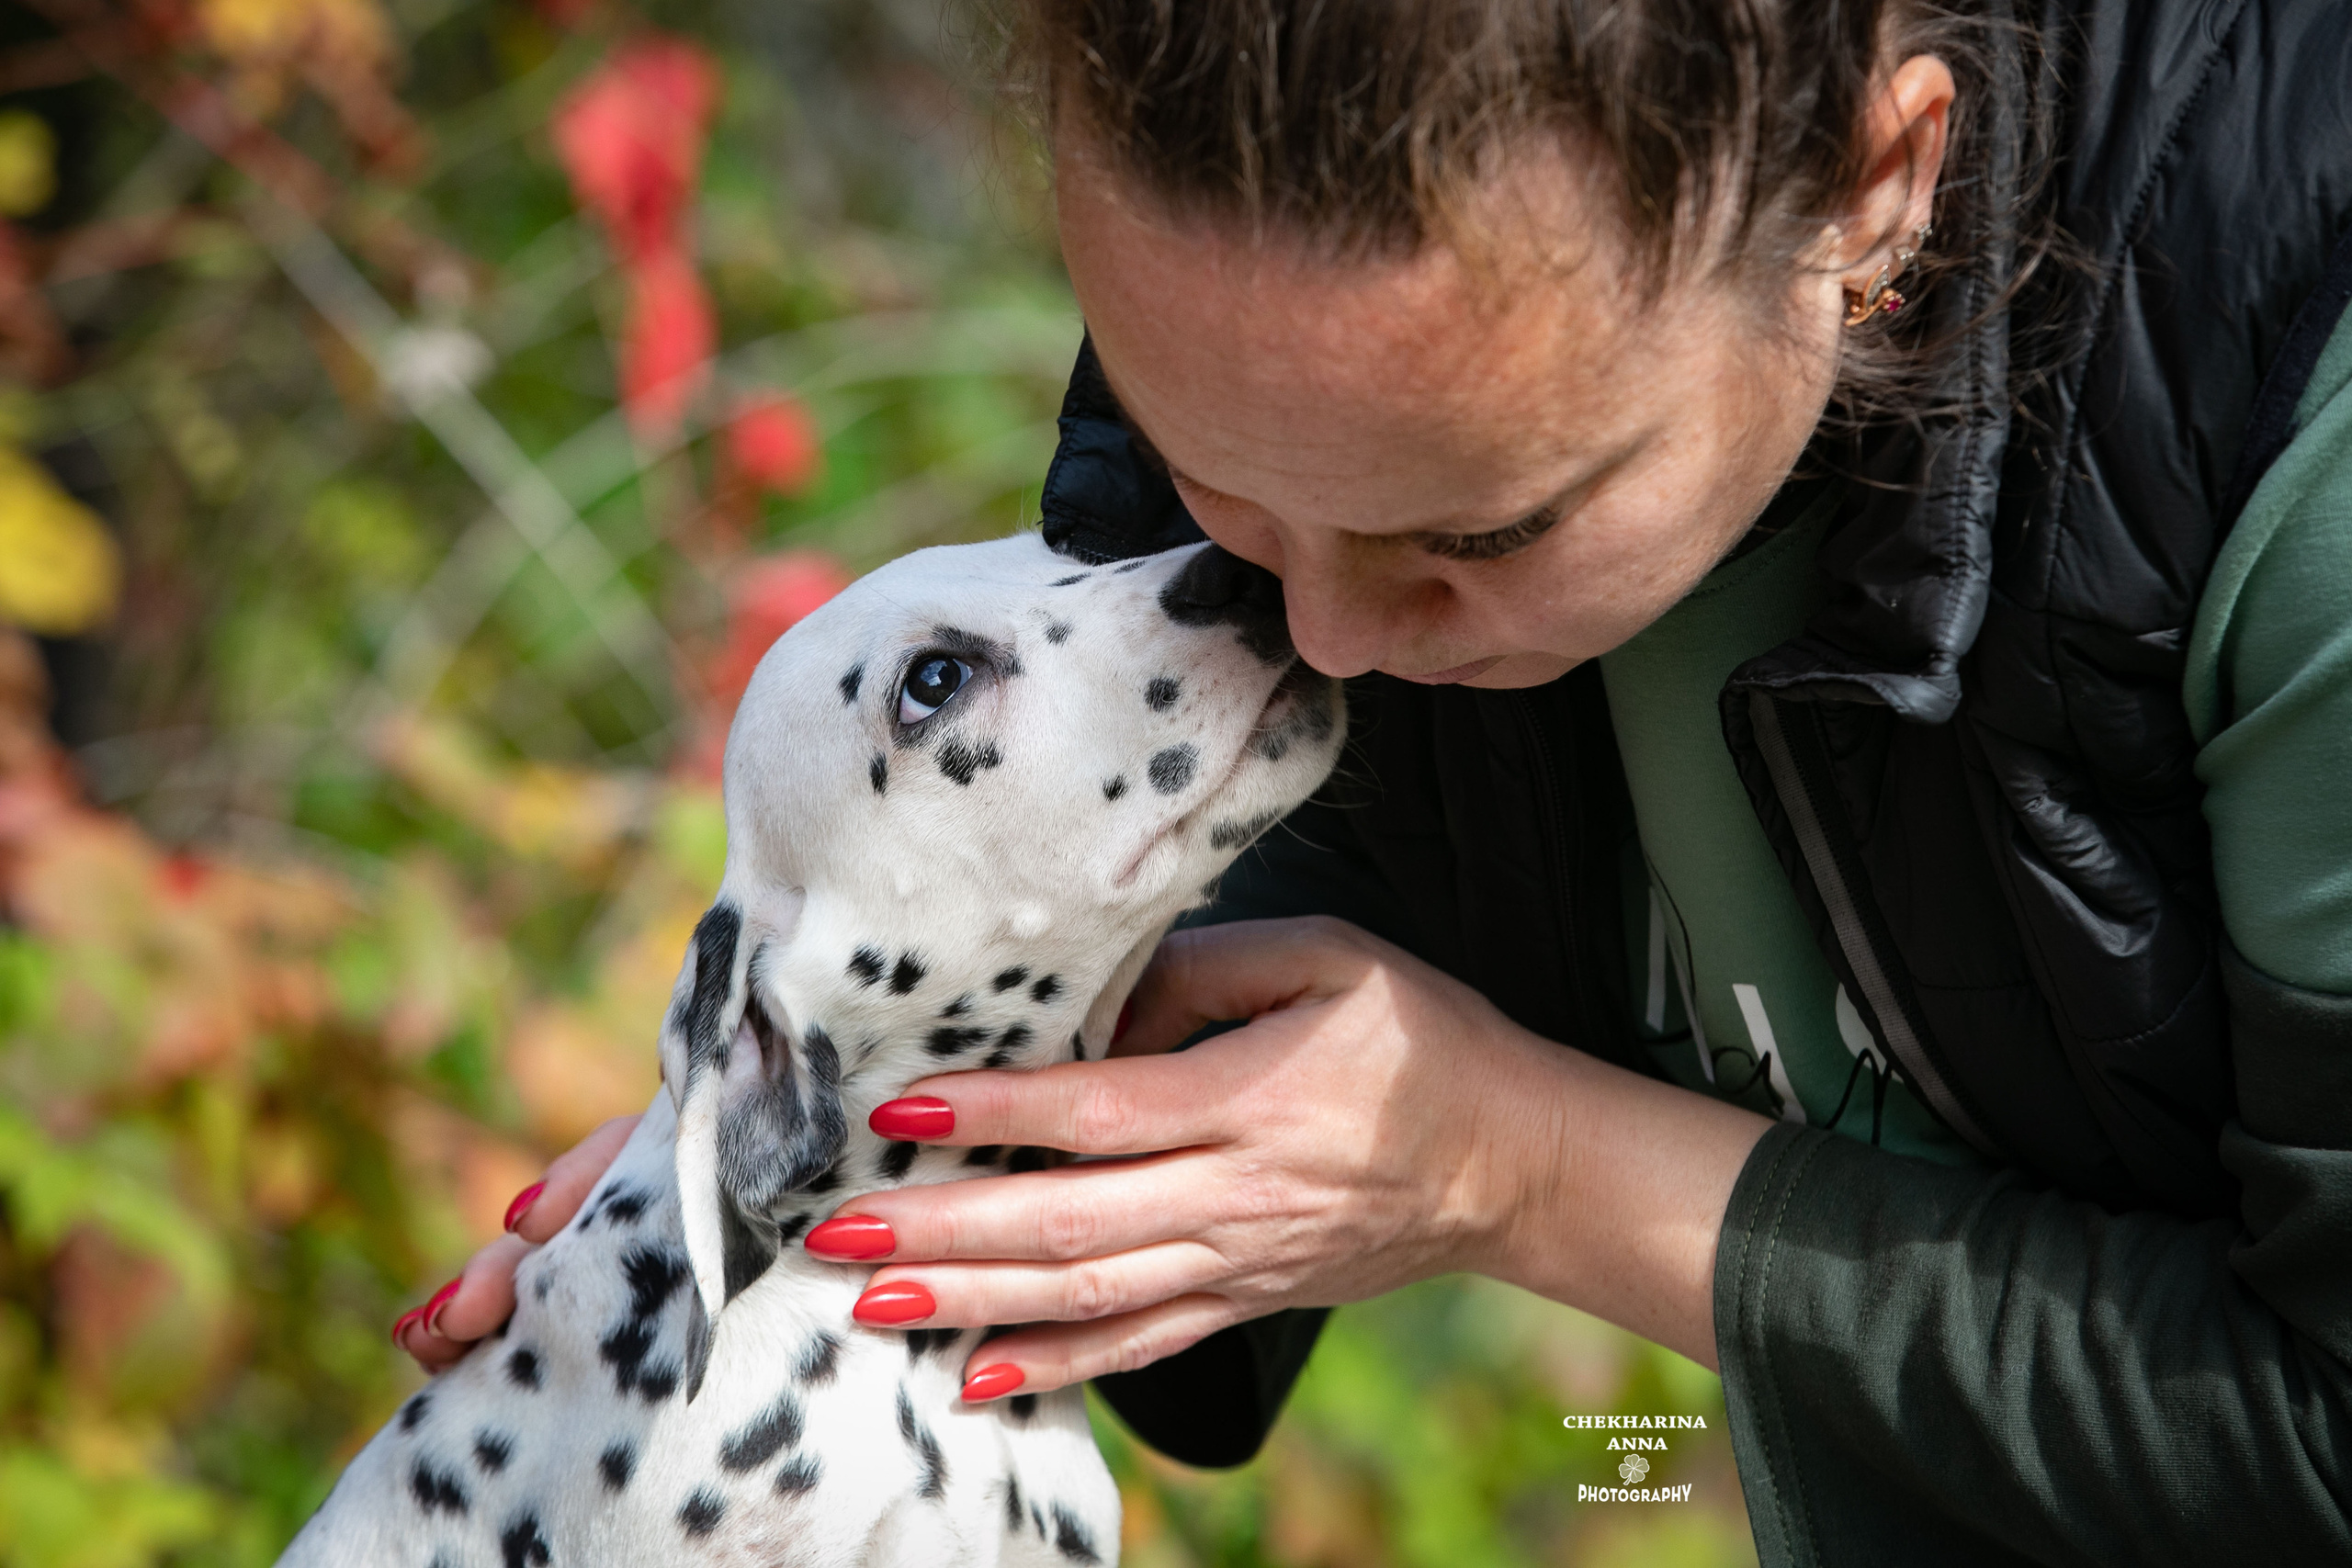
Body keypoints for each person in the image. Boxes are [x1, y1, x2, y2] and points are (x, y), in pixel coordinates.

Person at [399, 3, 2352, 1560]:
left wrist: (1516, 1166)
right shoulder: (1301, 306)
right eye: (1215, 486)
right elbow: (1266, 972)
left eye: (1475, 536)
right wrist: (827, 1155)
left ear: (1874, 187)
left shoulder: (2299, 432)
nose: (1320, 632)